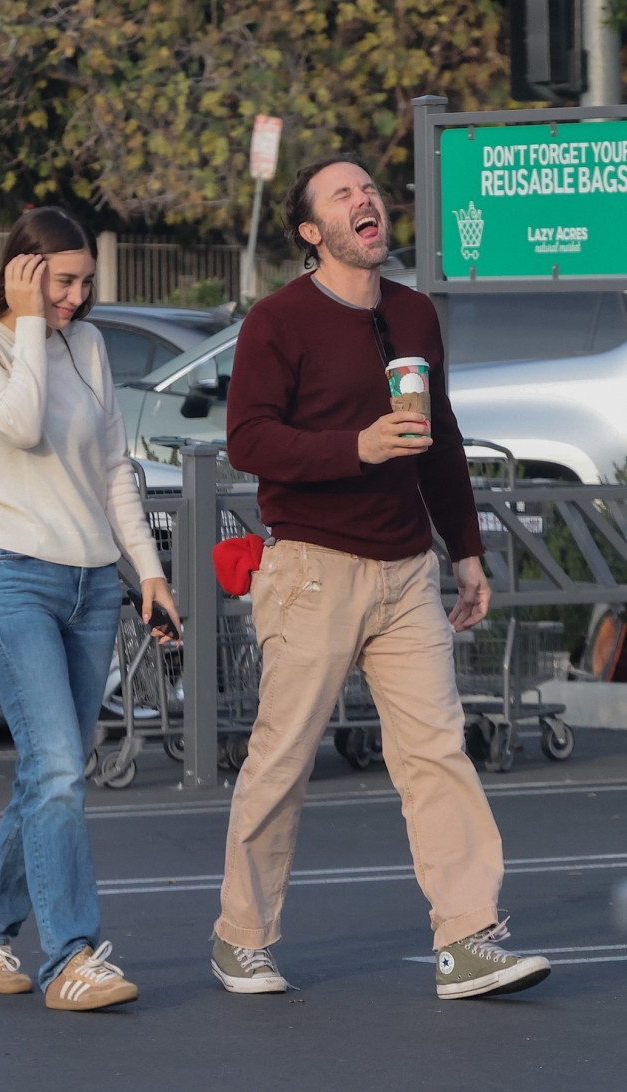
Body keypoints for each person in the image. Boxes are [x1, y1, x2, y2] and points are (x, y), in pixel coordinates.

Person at [210, 155, 551, 1000]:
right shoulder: (278, 320)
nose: (366, 201)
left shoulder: (413, 313)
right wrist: (351, 449)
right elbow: (248, 441)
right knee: (282, 760)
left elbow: (438, 433)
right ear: (311, 231)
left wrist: (464, 549)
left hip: (407, 572)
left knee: (437, 753)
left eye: (369, 190)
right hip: (312, 570)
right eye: (342, 194)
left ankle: (468, 937)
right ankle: (240, 938)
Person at [0, 206, 181, 1011]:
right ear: (23, 270)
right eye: (62, 281)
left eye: (84, 283)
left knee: (52, 775)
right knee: (55, 773)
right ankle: (72, 956)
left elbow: (114, 465)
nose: (77, 297)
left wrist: (148, 574)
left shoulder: (92, 344)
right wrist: (31, 325)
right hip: (14, 576)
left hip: (89, 588)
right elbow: (16, 425)